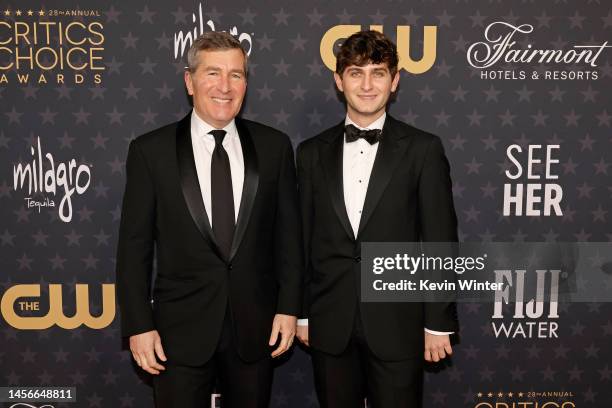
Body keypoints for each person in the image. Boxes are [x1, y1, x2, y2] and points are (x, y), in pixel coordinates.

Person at [116, 31, 302, 408]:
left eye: (236, 75)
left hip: (256, 328)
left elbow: (289, 239)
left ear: (246, 84)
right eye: (213, 73)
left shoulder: (274, 147)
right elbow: (133, 249)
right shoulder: (150, 152)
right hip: (176, 333)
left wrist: (288, 307)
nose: (225, 86)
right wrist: (139, 325)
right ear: (190, 81)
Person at [295, 30, 459, 407]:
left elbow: (440, 240)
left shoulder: (423, 149)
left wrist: (438, 321)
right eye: (356, 73)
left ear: (395, 80)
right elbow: (300, 240)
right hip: (329, 322)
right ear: (339, 80)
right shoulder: (309, 153)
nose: (367, 85)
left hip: (398, 324)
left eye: (378, 73)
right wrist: (301, 313)